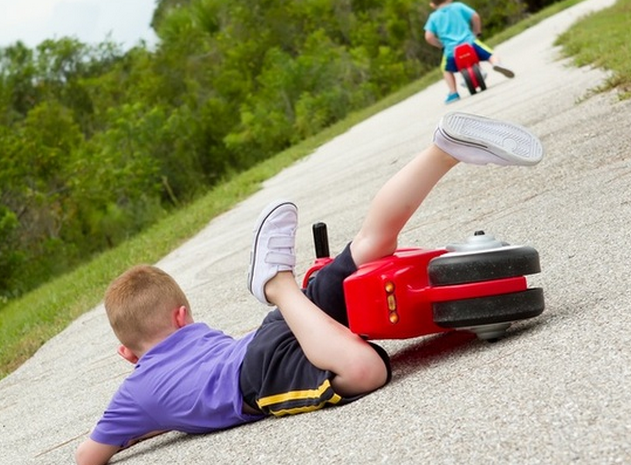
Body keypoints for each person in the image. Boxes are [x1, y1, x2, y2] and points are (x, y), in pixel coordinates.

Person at [75, 112, 543, 465]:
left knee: (367, 372)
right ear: (181, 316)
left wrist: (125, 434)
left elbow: (87, 457)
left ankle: (278, 283)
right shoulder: (191, 339)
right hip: (274, 333)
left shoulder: (133, 394)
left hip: (256, 379)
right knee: (371, 245)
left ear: (126, 354)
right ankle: (443, 150)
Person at [424, 0, 515, 104]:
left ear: (432, 4)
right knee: (490, 54)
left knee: (446, 70)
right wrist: (477, 31)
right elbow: (475, 16)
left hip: (451, 51)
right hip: (470, 44)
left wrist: (441, 45)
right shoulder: (458, 6)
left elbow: (428, 37)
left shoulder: (433, 17)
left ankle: (453, 93)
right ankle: (496, 64)